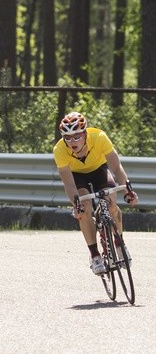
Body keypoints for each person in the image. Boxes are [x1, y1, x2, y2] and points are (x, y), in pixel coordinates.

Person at [53, 112, 138, 275]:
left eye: (77, 136)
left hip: (100, 169)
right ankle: (95, 255)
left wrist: (128, 190)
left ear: (85, 134)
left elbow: (116, 167)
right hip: (77, 176)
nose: (72, 141)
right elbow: (69, 183)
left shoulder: (99, 137)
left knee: (111, 205)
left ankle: (120, 244)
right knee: (84, 207)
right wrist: (76, 205)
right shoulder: (59, 150)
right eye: (68, 138)